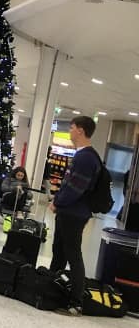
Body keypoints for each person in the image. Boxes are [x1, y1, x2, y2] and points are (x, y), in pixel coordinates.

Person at [49, 116, 103, 316]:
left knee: (72, 254)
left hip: (73, 212)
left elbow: (75, 188)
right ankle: (52, 290)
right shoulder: (84, 155)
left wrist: (57, 202)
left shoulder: (86, 157)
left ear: (80, 130)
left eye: (71, 128)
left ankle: (75, 301)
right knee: (59, 252)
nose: (70, 131)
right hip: (70, 211)